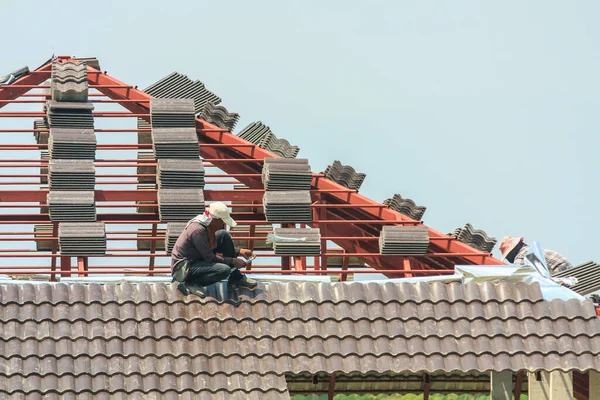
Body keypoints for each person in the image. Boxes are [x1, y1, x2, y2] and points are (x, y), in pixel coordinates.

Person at [171, 202, 257, 297]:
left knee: (223, 235)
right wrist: (233, 261)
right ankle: (192, 282)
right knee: (224, 270)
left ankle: (236, 277)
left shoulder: (206, 225)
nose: (223, 224)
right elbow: (209, 257)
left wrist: (240, 251)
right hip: (184, 268)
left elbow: (207, 247)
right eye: (222, 221)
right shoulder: (197, 230)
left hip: (197, 259)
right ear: (214, 220)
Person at [499, 236, 573, 275]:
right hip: (568, 268)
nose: (508, 259)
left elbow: (518, 276)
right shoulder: (530, 250)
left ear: (512, 251)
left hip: (559, 271)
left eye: (507, 256)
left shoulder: (521, 255)